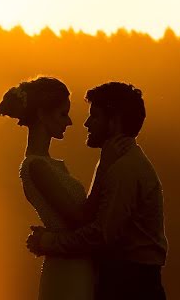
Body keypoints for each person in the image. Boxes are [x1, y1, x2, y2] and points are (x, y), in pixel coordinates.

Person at [26, 82, 168, 300]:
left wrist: (50, 242)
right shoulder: (115, 162)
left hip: (130, 284)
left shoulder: (123, 169)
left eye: (95, 116)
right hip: (122, 279)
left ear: (114, 123)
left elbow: (101, 235)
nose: (86, 123)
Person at [0, 76, 96, 300]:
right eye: (63, 114)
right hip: (68, 270)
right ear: (43, 114)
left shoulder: (47, 165)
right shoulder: (38, 167)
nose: (69, 122)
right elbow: (79, 220)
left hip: (74, 263)